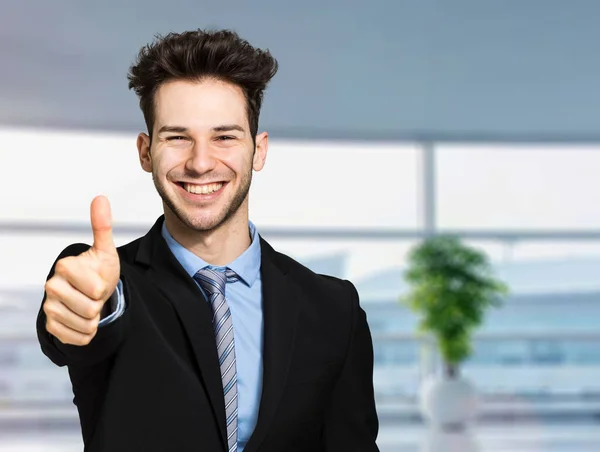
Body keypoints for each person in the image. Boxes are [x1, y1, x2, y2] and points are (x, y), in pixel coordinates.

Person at [36, 29, 379, 452]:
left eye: (225, 136)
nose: (200, 163)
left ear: (259, 150)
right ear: (146, 152)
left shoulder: (332, 309)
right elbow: (77, 323)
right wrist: (85, 311)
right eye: (177, 137)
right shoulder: (109, 287)